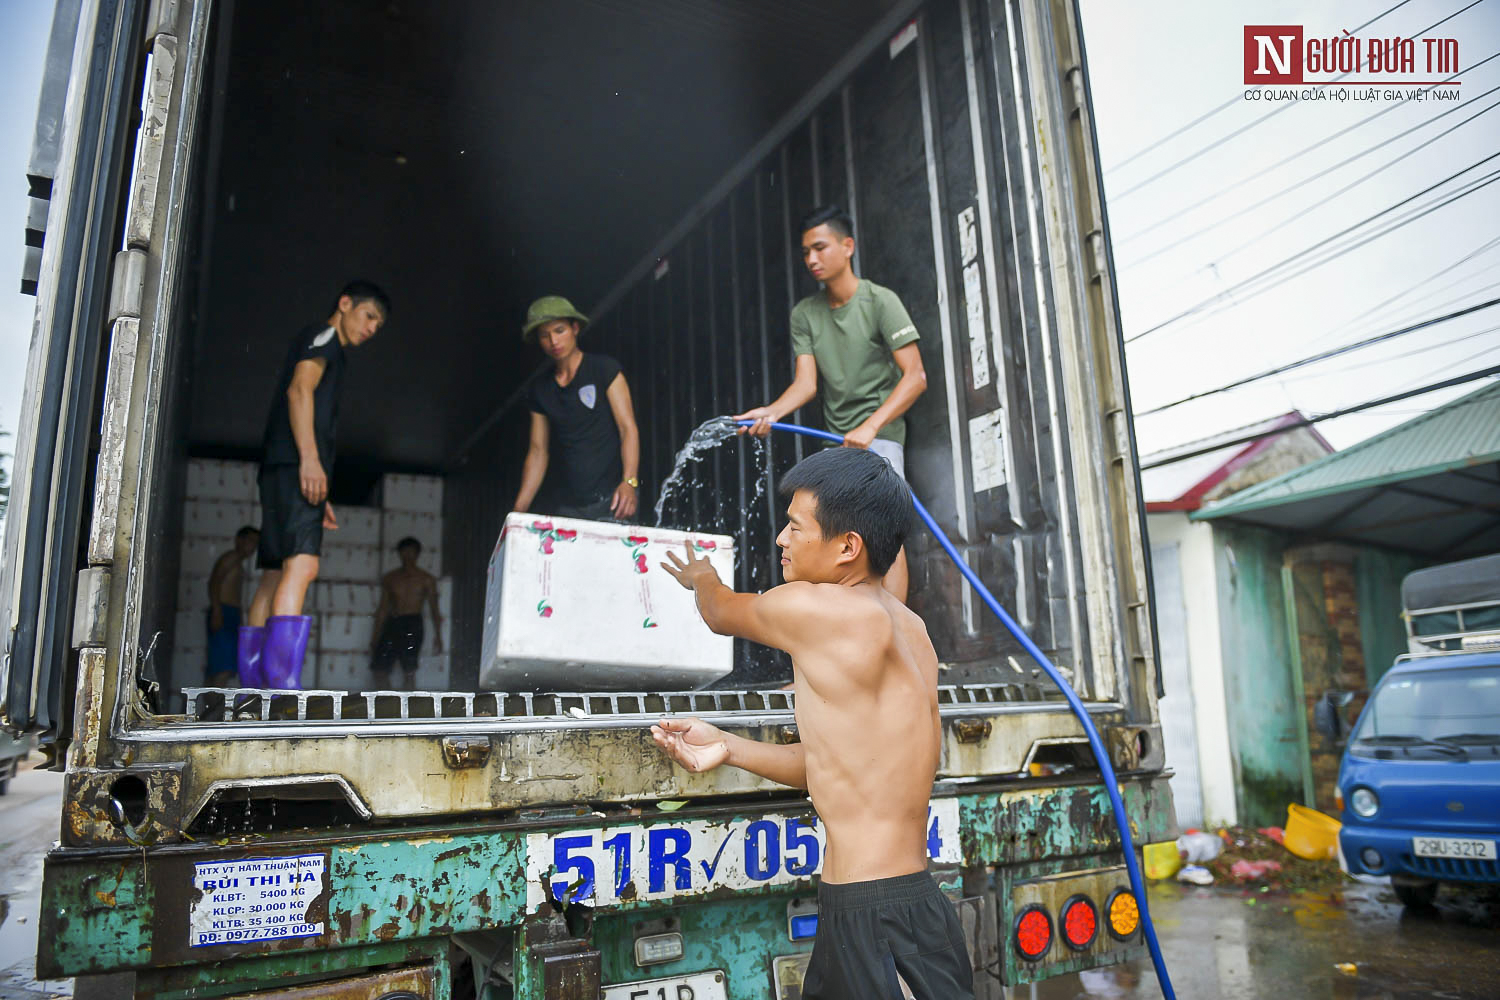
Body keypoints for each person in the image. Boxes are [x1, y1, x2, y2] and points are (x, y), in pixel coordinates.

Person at [652, 448, 973, 1000]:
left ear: (847, 547)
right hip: (910, 905)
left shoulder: (813, 608)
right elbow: (830, 764)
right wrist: (727, 745)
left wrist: (703, 577)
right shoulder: (913, 630)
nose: (781, 538)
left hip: (873, 921)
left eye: (796, 527)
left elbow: (721, 612)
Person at [735, 205, 927, 602]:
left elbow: (916, 377)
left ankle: (896, 631)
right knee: (828, 528)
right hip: (836, 441)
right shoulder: (806, 313)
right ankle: (851, 626)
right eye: (806, 252)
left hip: (880, 434)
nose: (811, 259)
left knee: (882, 526)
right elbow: (805, 384)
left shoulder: (879, 302)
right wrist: (771, 412)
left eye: (820, 248)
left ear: (847, 246)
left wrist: (871, 427)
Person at [241, 280, 390, 690]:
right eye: (369, 316)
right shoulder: (323, 336)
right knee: (302, 565)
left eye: (378, 324)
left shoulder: (325, 344)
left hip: (281, 468)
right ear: (345, 304)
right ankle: (281, 686)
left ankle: (254, 685)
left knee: (273, 573)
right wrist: (309, 460)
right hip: (293, 463)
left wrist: (315, 484)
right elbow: (299, 391)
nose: (372, 328)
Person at [511, 295, 642, 521]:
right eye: (544, 335)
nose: (553, 341)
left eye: (559, 330)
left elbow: (627, 428)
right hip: (568, 508)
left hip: (614, 500)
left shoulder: (604, 369)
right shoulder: (540, 390)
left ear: (575, 328)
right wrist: (518, 511)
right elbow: (538, 451)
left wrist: (629, 481)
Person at [370, 537, 444, 690]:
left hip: (413, 623)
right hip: (393, 621)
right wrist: (375, 635)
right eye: (404, 552)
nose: (407, 556)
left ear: (417, 554)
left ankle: (407, 709)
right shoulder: (390, 578)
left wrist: (439, 636)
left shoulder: (426, 579)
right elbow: (383, 609)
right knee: (379, 670)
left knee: (409, 670)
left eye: (411, 553)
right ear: (399, 554)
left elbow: (434, 609)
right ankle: (388, 705)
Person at [204, 526, 259, 686]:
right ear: (238, 540)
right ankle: (213, 709)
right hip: (223, 612)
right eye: (250, 541)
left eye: (256, 543)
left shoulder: (238, 563)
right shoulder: (231, 558)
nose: (253, 547)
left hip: (229, 614)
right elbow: (214, 582)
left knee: (221, 667)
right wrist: (217, 610)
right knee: (223, 668)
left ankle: (209, 708)